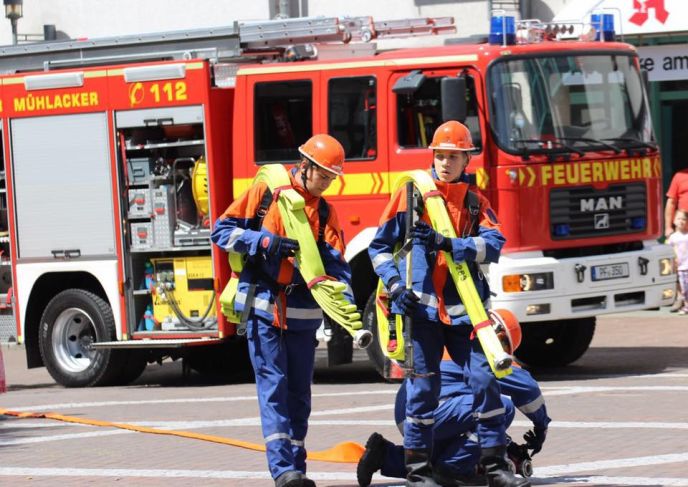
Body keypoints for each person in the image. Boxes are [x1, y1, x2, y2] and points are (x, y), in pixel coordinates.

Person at [368, 120, 527, 487]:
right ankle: (418, 472)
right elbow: (378, 249)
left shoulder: (475, 201)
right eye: (440, 156)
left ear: (465, 160)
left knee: (485, 381)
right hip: (422, 314)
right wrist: (395, 286)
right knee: (423, 391)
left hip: (464, 315)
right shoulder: (412, 196)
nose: (444, 163)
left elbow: (495, 244)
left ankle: (496, 468)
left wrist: (449, 244)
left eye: (452, 157)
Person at [211, 134, 353, 487]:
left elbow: (340, 269)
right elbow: (221, 230)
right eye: (323, 177)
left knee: (299, 399)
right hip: (265, 310)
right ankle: (283, 472)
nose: (326, 185)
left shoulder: (324, 212)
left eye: (332, 179)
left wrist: (342, 304)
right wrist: (263, 241)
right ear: (305, 167)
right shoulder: (266, 194)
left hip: (303, 318)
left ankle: (297, 469)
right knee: (274, 389)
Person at [357, 314, 551, 487]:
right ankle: (453, 466)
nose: (503, 351)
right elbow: (528, 389)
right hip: (432, 412)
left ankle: (384, 455)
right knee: (500, 406)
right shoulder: (483, 352)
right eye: (504, 344)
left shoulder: (449, 341)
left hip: (412, 416)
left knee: (446, 450)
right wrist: (541, 427)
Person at [667, 209, 688, 315]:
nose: (681, 221)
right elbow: (668, 251)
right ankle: (686, 305)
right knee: (684, 288)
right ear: (674, 221)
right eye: (679, 218)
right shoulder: (673, 237)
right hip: (680, 266)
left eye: (684, 219)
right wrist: (672, 264)